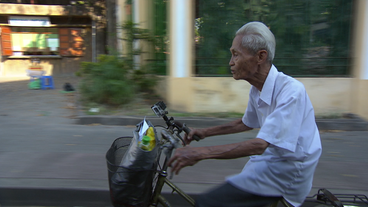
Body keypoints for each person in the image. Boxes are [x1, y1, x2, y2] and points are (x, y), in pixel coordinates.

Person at [167, 21, 322, 207]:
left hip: (288, 170)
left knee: (209, 203)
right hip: (269, 161)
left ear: (260, 57)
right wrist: (206, 132)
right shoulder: (257, 89)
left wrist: (200, 153)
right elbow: (246, 123)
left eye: (236, 55)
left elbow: (259, 145)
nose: (230, 62)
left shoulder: (291, 91)